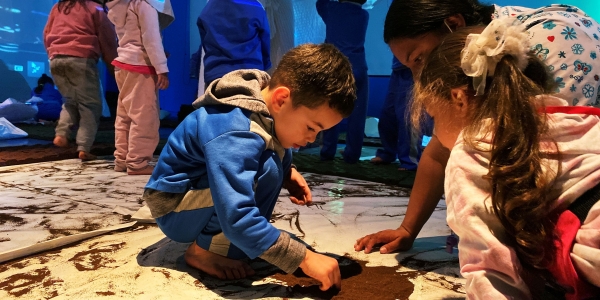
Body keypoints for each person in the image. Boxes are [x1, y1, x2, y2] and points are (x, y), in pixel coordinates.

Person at [355, 1, 600, 255]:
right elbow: (441, 147)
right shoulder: (476, 56)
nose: (419, 78)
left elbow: (542, 162)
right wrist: (407, 229)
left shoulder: (554, 44)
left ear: (453, 26)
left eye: (419, 59)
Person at [142, 43, 356, 290]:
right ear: (281, 98)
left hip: (195, 193)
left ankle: (223, 243)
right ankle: (204, 251)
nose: (311, 139)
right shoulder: (236, 130)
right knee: (266, 170)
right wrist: (303, 257)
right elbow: (238, 215)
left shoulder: (262, 105)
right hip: (173, 207)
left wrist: (288, 172)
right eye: (311, 127)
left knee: (271, 167)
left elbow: (271, 138)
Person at [413, 22, 600, 298]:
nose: (436, 133)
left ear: (459, 99)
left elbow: (492, 270)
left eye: (433, 117)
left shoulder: (473, 146)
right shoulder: (580, 119)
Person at [106, 0, 174, 175]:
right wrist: (162, 68)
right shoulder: (144, 4)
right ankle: (138, 162)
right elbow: (151, 37)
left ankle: (122, 158)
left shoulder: (121, 4)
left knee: (125, 116)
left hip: (123, 64)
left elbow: (132, 37)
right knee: (145, 117)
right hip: (140, 66)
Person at [44, 0, 118, 160]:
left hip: (56, 59)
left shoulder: (58, 7)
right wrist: (115, 70)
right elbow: (108, 42)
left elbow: (46, 33)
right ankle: (84, 147)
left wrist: (54, 53)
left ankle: (61, 134)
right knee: (90, 105)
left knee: (70, 101)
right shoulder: (96, 9)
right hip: (81, 60)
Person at [317, 0, 369, 164]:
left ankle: (327, 152)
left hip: (337, 66)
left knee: (331, 109)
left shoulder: (331, 8)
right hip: (359, 66)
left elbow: (320, 3)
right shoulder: (363, 15)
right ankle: (352, 155)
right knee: (358, 113)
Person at [197, 0, 271, 88]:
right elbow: (265, 42)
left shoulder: (208, 9)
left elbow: (206, 44)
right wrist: (265, 66)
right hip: (250, 75)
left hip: (216, 76)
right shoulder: (256, 7)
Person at [370, 57, 421, 170]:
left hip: (415, 66)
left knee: (408, 116)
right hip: (398, 68)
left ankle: (410, 160)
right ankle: (388, 153)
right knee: (387, 115)